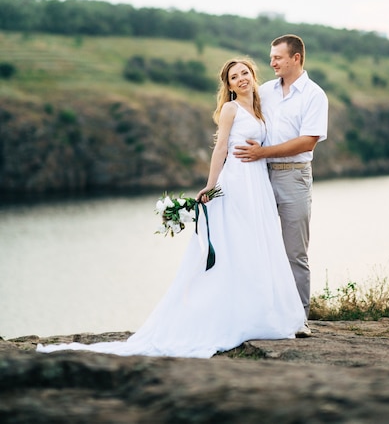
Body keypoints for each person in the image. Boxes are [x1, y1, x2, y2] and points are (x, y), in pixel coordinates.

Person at [37, 58, 305, 359]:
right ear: (228, 85)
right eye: (234, 77)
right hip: (237, 182)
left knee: (258, 243)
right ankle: (232, 316)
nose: (241, 79)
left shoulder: (260, 108)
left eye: (245, 73)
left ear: (253, 76)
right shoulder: (231, 109)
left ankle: (260, 312)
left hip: (257, 183)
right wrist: (210, 185)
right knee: (237, 244)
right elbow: (220, 148)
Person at [234, 35, 328, 337]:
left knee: (294, 252)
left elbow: (307, 140)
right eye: (272, 57)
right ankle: (261, 316)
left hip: (294, 176)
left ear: (296, 58)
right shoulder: (265, 92)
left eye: (277, 57)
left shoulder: (314, 95)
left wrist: (262, 152)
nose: (271, 62)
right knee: (258, 246)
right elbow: (238, 120)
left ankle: (298, 320)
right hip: (257, 175)